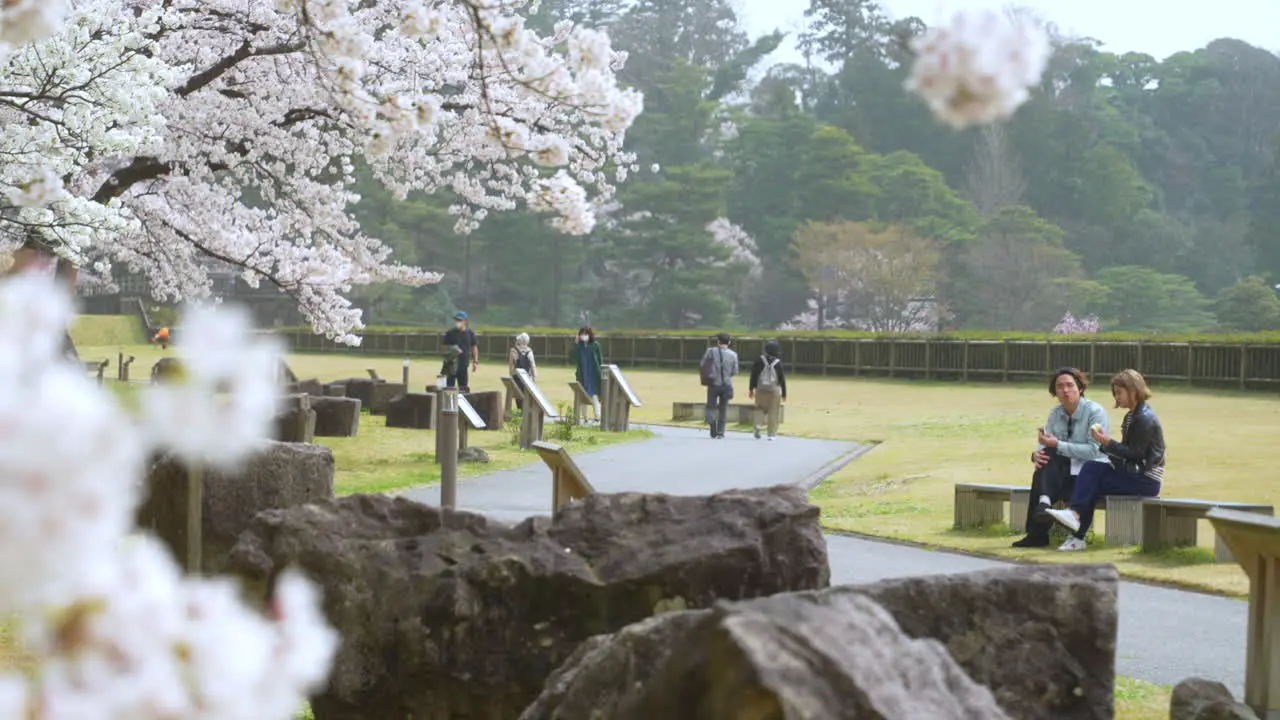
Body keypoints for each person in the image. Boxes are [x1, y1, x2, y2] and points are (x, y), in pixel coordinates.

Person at [1046, 369, 1166, 551]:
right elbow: (1126, 453)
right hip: (1133, 473)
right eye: (1115, 393)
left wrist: (1106, 442)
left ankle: (1076, 528)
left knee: (1091, 476)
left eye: (1119, 392)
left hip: (1146, 479)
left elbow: (1136, 454)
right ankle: (1076, 530)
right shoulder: (1132, 416)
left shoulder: (1143, 419)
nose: (1116, 398)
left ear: (1133, 390)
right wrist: (1104, 444)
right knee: (1090, 474)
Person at [1010, 367, 1111, 549]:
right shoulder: (1056, 413)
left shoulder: (1095, 412)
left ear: (1080, 388)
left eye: (1070, 385)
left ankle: (1038, 529)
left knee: (1046, 465)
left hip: (1088, 477)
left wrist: (1058, 445)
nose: (1065, 390)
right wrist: (1036, 455)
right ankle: (1044, 505)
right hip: (1061, 474)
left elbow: (1095, 451)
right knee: (1044, 460)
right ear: (1054, 391)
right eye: (1059, 387)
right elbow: (1046, 444)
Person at [700, 332, 738, 439]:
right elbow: (735, 371)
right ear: (729, 342)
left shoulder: (710, 351)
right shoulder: (733, 355)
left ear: (718, 341)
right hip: (726, 384)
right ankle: (721, 432)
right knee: (723, 408)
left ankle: (712, 424)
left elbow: (703, 365)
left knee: (710, 406)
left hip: (713, 383)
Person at [748, 340, 787, 441]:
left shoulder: (759, 361)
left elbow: (753, 375)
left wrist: (751, 389)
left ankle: (758, 425)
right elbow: (782, 379)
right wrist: (784, 393)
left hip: (760, 389)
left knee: (759, 408)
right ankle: (771, 434)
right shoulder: (778, 363)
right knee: (773, 411)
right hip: (774, 390)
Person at [572, 326, 604, 419]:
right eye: (581, 334)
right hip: (582, 374)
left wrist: (601, 372)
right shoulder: (579, 346)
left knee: (594, 395)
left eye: (585, 334)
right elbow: (573, 357)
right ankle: (585, 417)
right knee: (582, 396)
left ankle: (597, 416)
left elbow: (600, 360)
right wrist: (576, 343)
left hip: (593, 374)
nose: (583, 336)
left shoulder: (595, 345)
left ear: (590, 335)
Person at [442, 311, 478, 392]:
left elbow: (474, 347)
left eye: (459, 320)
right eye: (456, 320)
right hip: (451, 365)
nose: (457, 322)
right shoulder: (450, 333)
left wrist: (475, 361)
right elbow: (444, 347)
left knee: (463, 389)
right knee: (448, 389)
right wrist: (453, 350)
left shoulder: (470, 333)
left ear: (465, 321)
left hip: (463, 365)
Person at [508, 332, 537, 410]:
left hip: (516, 377)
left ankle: (520, 410)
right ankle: (526, 411)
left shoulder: (513, 350)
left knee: (518, 396)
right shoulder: (529, 351)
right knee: (526, 395)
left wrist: (511, 375)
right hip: (527, 377)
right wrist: (534, 377)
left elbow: (511, 365)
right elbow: (533, 365)